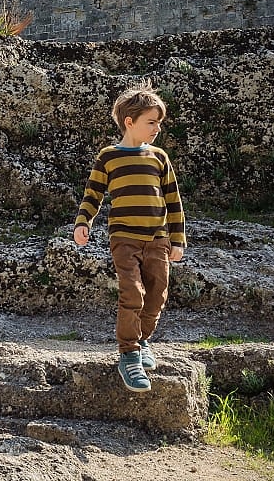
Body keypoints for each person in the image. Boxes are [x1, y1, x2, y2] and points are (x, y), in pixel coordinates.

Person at [73, 80, 186, 392]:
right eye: (152, 122)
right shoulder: (109, 156)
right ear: (129, 122)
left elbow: (173, 201)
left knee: (157, 295)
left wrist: (178, 240)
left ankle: (142, 339)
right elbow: (92, 194)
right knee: (132, 293)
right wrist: (84, 221)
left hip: (159, 239)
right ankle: (129, 354)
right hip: (124, 238)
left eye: (159, 123)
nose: (157, 129)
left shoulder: (160, 157)